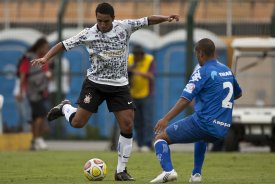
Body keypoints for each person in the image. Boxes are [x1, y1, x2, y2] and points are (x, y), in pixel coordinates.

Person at [31, 2, 179, 181]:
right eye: (99, 21)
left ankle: (121, 171)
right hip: (95, 84)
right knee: (78, 123)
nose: (102, 25)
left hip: (119, 86)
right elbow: (63, 44)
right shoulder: (89, 33)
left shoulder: (124, 27)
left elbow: (147, 20)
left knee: (127, 125)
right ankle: (65, 108)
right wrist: (46, 58)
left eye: (106, 21)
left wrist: (165, 18)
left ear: (113, 19)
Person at [150, 38, 242, 183]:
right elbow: (238, 94)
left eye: (196, 55)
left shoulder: (202, 71)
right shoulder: (227, 70)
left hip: (203, 123)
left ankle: (168, 171)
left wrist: (166, 119)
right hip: (223, 128)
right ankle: (196, 175)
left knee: (160, 138)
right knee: (202, 137)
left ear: (200, 54)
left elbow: (185, 99)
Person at [18, 37, 51, 150]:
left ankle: (34, 141)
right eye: (46, 47)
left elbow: (47, 73)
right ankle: (37, 139)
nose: (47, 49)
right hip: (32, 92)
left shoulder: (43, 59)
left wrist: (48, 75)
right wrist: (20, 91)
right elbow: (23, 74)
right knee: (41, 114)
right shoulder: (29, 57)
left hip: (42, 91)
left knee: (35, 116)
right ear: (40, 46)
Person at [128, 44, 155, 152]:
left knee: (147, 120)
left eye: (139, 55)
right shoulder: (129, 59)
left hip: (147, 94)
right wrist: (133, 66)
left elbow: (151, 75)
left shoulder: (149, 59)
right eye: (135, 55)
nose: (137, 57)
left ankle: (147, 143)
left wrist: (136, 72)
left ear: (142, 55)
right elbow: (125, 71)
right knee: (137, 120)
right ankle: (140, 143)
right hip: (133, 94)